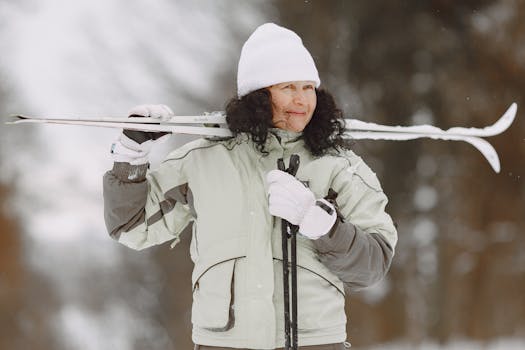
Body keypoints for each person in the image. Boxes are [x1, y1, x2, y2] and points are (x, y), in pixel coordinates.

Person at [103, 23, 397, 350]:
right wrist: (131, 156)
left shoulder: (340, 167)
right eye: (288, 87)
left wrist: (328, 229)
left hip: (316, 343)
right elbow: (131, 227)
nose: (302, 100)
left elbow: (373, 267)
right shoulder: (203, 160)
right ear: (259, 95)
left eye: (308, 87)